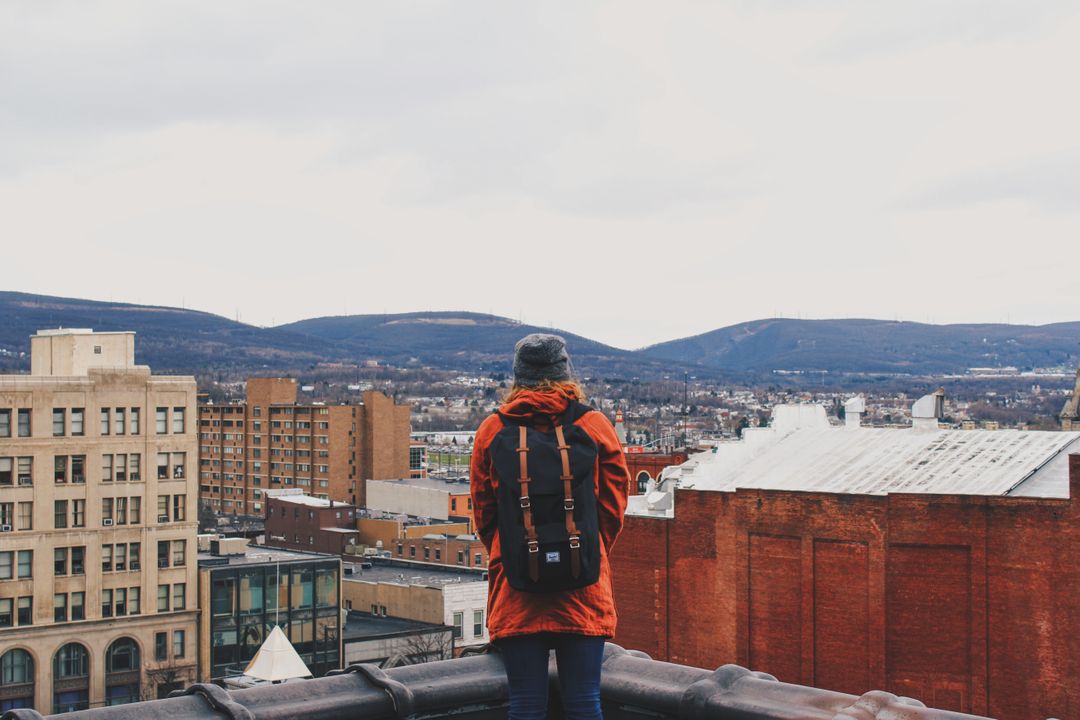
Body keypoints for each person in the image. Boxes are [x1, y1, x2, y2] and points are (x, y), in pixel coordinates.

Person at [470, 333, 630, 720]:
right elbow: (614, 504)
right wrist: (587, 548)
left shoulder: (492, 430)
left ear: (518, 377)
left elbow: (484, 515)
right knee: (583, 702)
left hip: (517, 588)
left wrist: (512, 551)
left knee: (525, 703)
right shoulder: (594, 424)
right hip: (583, 586)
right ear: (564, 372)